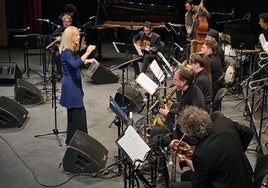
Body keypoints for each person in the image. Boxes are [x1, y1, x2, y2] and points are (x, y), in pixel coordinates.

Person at [169, 105, 254, 188]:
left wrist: (191, 165)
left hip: (228, 184)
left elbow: (199, 185)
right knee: (185, 176)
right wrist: (236, 152)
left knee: (174, 185)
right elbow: (249, 133)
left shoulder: (200, 153)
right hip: (246, 176)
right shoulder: (224, 122)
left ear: (191, 134)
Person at [58, 26, 99, 145]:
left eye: (79, 35)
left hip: (72, 85)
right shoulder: (66, 51)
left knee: (72, 117)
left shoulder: (69, 51)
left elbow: (75, 62)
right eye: (76, 35)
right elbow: (75, 64)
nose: (79, 37)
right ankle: (84, 146)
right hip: (71, 88)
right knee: (80, 117)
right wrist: (87, 52)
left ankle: (70, 140)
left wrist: (88, 60)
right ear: (70, 37)